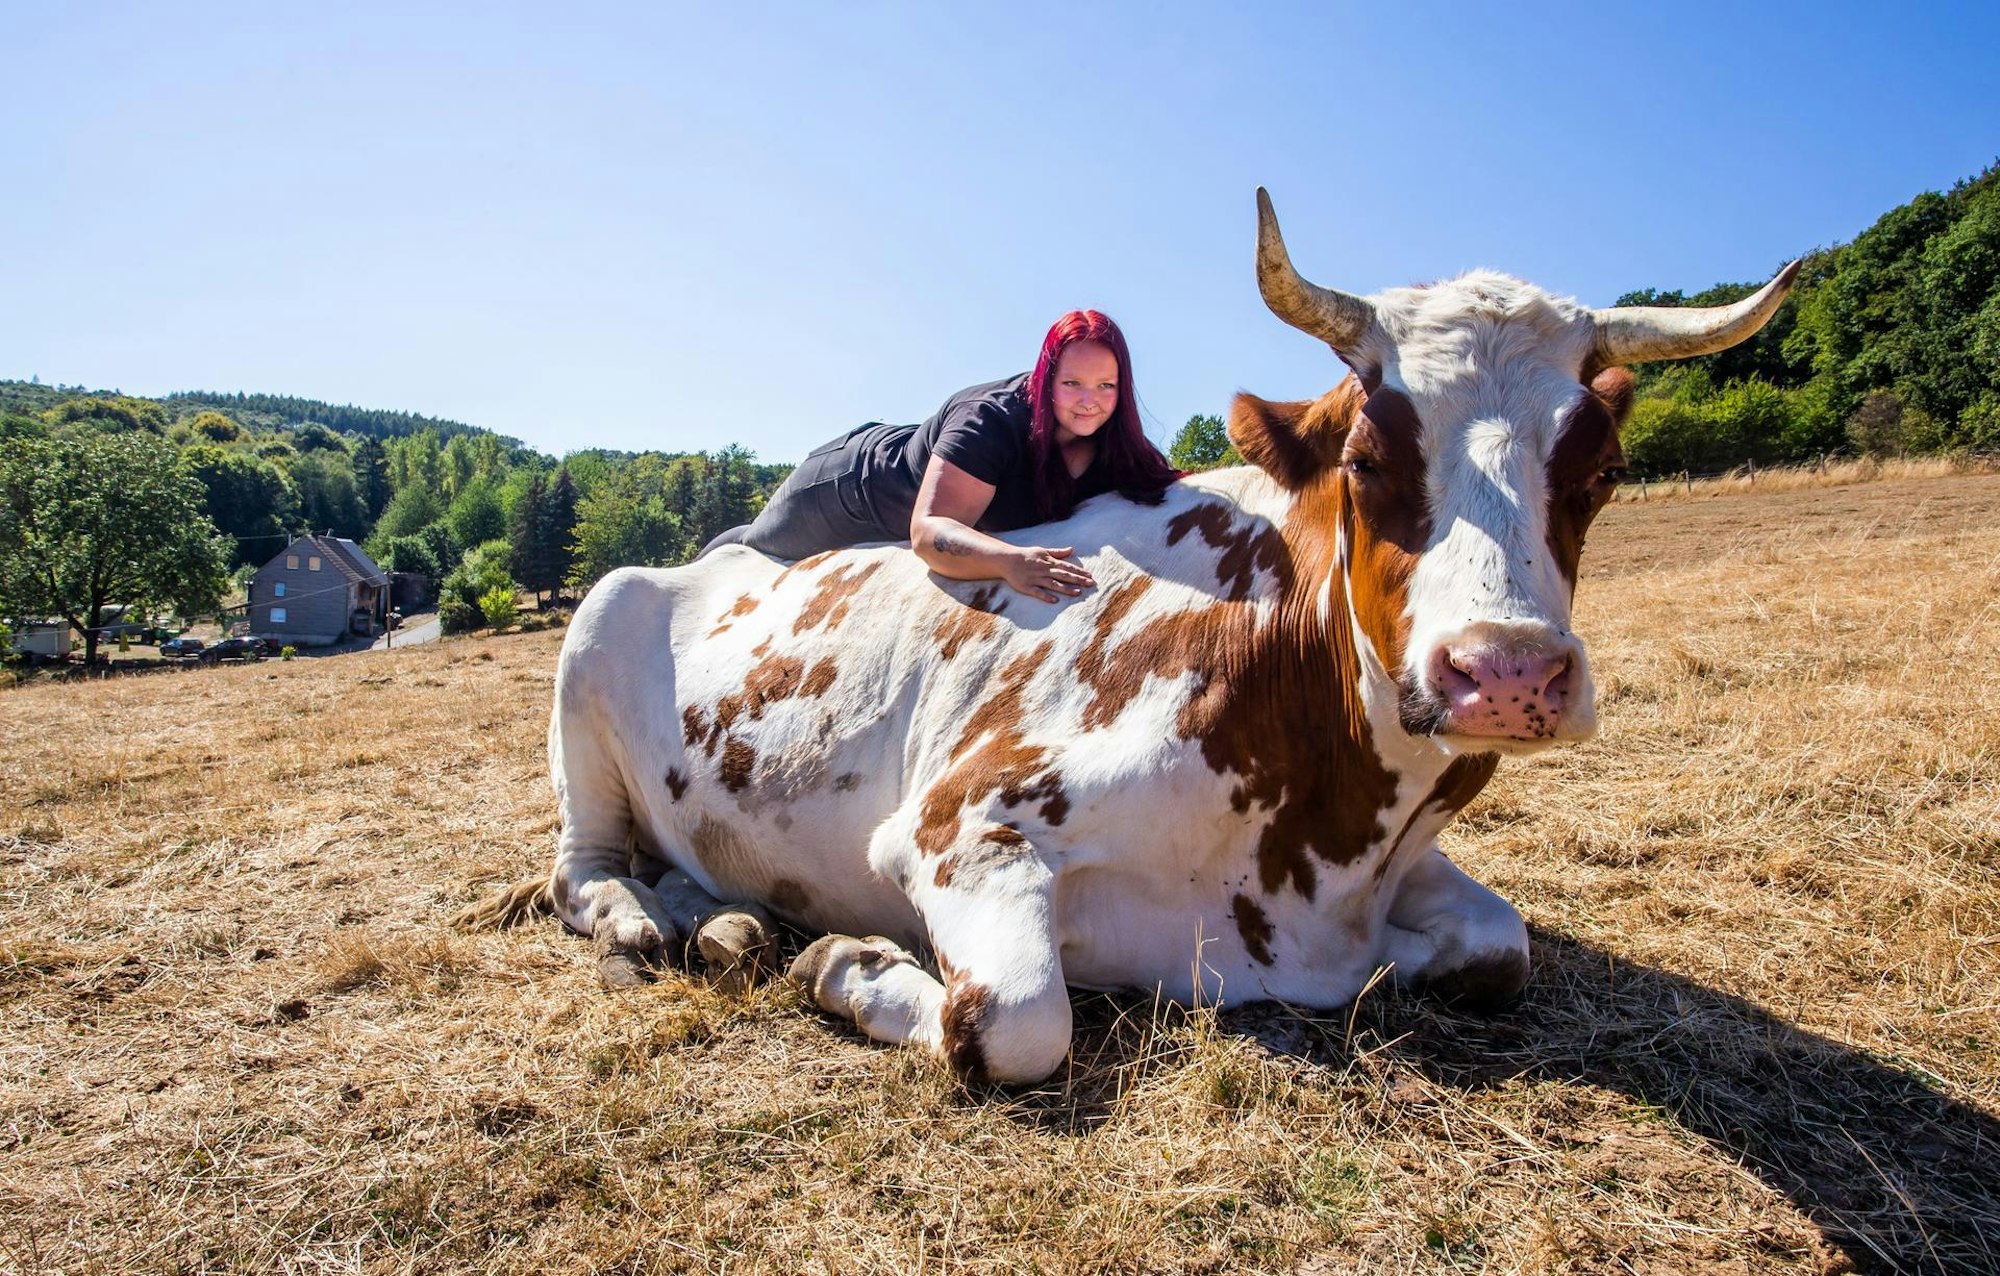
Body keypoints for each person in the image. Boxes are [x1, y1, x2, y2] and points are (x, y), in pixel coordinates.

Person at [702, 310, 1181, 602]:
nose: (1088, 400)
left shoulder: (1117, 447)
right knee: (749, 556)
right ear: (1046, 379)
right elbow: (929, 534)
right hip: (850, 492)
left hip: (890, 514)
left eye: (1106, 386)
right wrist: (1011, 561)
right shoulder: (990, 419)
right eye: (1072, 383)